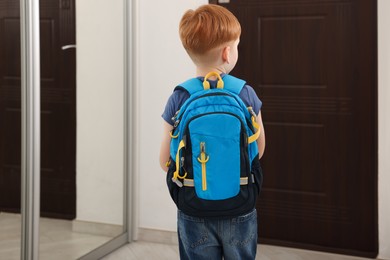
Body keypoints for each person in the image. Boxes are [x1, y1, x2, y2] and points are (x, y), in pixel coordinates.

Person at [159, 4, 265, 260]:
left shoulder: (179, 97)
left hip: (194, 207)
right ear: (228, 53)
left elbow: (165, 161)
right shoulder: (245, 93)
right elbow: (258, 150)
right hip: (239, 204)